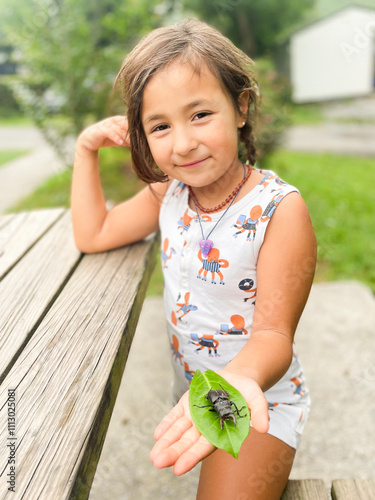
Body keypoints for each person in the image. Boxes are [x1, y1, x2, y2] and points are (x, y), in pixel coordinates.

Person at [71, 19, 317, 500]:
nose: (182, 143)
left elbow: (273, 335)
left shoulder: (279, 210)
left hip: (256, 396)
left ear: (241, 106)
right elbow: (94, 233)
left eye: (200, 114)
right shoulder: (170, 192)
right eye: (160, 126)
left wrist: (239, 379)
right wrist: (85, 151)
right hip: (196, 393)